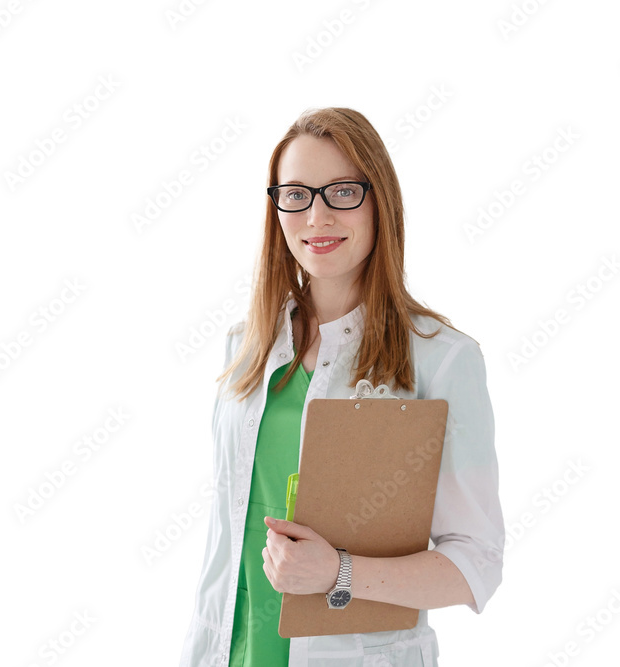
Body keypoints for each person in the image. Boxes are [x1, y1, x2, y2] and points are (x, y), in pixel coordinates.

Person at [178, 107, 505, 667]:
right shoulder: (245, 348)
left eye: (343, 192)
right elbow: (225, 535)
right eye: (296, 195)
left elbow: (477, 563)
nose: (317, 216)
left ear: (381, 202)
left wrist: (340, 573)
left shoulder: (443, 360)